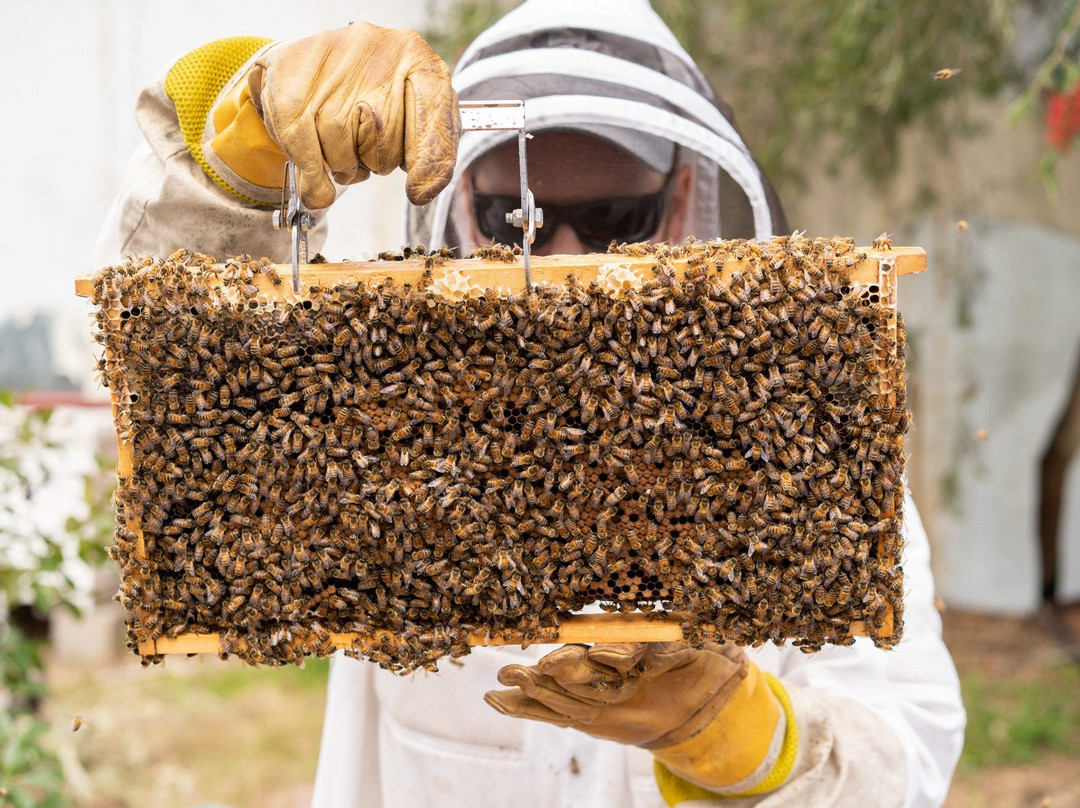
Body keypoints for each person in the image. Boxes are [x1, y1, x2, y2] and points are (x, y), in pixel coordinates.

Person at [93, 2, 966, 806]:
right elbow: (185, 377)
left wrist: (742, 738)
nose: (565, 254)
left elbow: (908, 754)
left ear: (687, 194)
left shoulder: (805, 437)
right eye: (521, 212)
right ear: (464, 204)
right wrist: (237, 161)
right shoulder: (389, 423)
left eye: (619, 212)